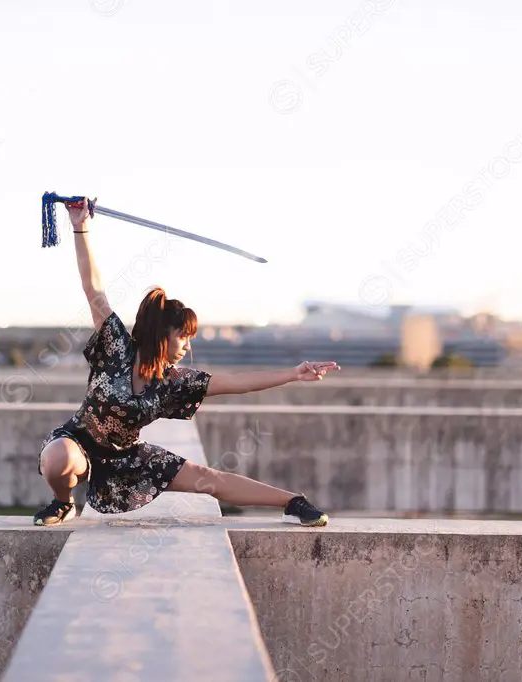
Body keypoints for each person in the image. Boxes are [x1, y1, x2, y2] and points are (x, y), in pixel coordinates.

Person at [33, 197, 339, 528]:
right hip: (78, 441)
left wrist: (293, 374)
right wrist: (80, 226)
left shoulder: (175, 380)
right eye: (183, 336)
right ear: (161, 335)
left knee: (207, 478)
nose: (187, 345)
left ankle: (293, 501)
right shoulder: (116, 346)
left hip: (128, 456)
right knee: (57, 457)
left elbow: (236, 382)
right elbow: (94, 289)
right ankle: (63, 503)